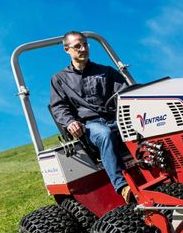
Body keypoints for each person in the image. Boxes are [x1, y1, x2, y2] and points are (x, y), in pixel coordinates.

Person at [50, 30, 132, 202]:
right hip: (89, 126)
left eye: (85, 44)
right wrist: (70, 121)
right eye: (77, 46)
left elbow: (125, 93)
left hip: (115, 119)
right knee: (104, 134)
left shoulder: (107, 72)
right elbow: (59, 107)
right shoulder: (60, 79)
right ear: (67, 50)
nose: (82, 49)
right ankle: (122, 186)